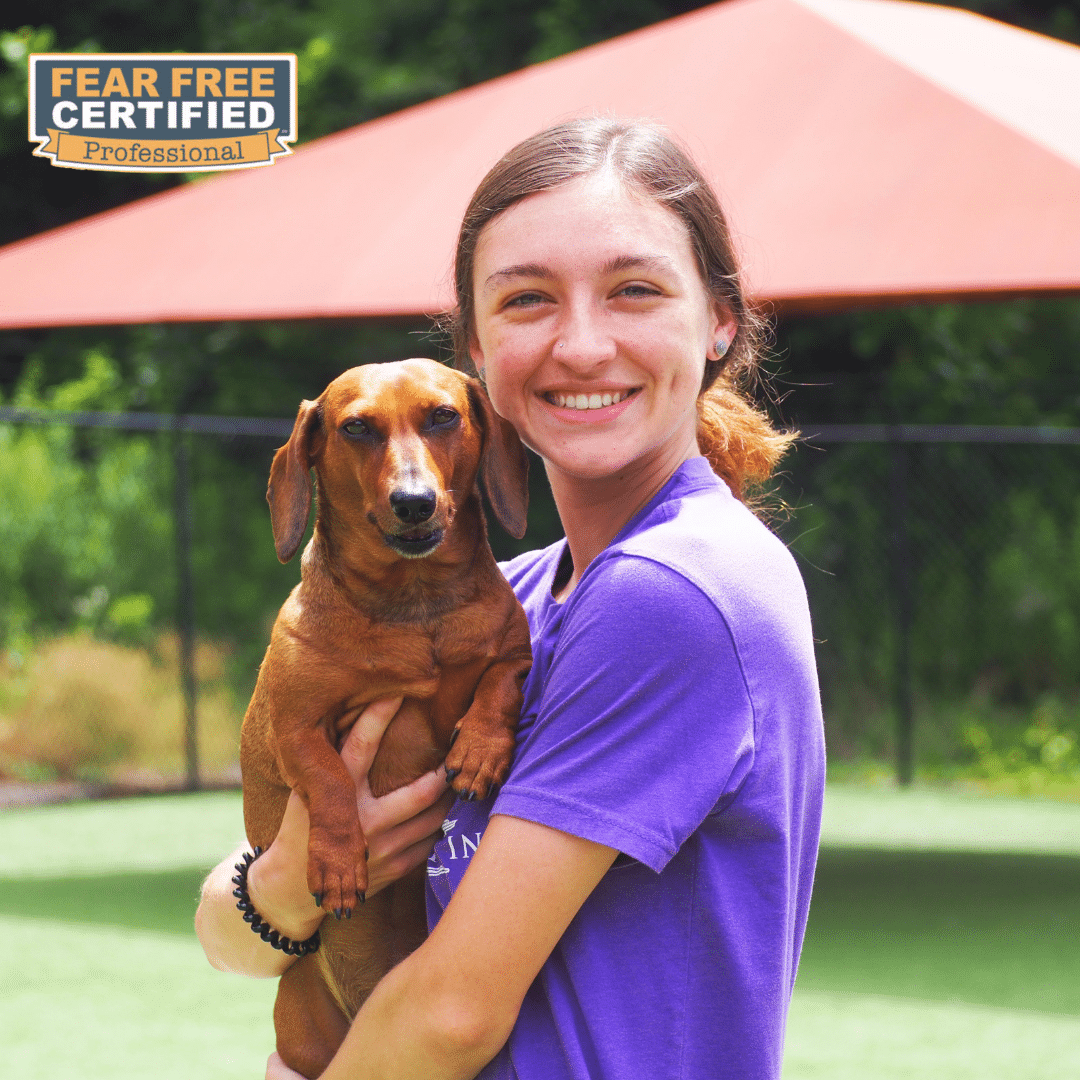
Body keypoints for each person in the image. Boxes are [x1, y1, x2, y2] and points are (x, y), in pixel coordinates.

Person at [196, 116, 825, 1080]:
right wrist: (284, 885)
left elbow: (449, 1014)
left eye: (636, 290)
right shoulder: (515, 600)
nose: (580, 344)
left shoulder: (675, 591)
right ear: (477, 353)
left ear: (720, 321)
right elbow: (223, 937)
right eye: (528, 299)